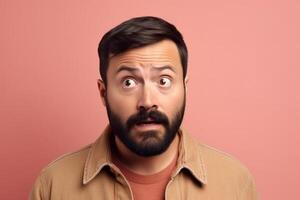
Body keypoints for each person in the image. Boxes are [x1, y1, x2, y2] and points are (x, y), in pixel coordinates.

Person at [29, 16, 258, 200]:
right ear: (103, 92)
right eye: (128, 82)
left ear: (185, 88)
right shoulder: (53, 186)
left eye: (164, 81)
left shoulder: (234, 183)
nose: (147, 101)